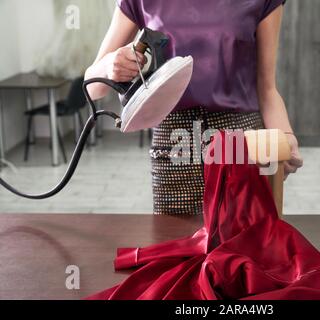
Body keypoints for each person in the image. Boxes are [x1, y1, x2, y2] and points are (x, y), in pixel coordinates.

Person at [85, 0, 303, 215]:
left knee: (244, 243)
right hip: (174, 146)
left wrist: (286, 137)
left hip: (240, 145)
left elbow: (267, 89)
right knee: (173, 242)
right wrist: (110, 64)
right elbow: (94, 88)